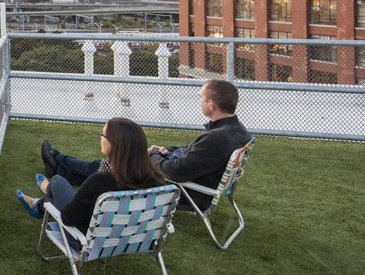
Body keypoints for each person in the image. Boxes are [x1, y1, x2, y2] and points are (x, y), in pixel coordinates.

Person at [40, 79, 250, 211]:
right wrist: (168, 150)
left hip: (185, 193)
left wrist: (152, 157)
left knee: (120, 164)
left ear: (211, 104)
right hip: (193, 182)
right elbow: (194, 154)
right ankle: (61, 166)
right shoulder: (236, 130)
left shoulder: (216, 138)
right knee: (116, 165)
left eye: (201, 98)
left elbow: (177, 172)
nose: (200, 101)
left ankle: (59, 163)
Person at [17, 118, 166, 236]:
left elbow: (68, 218)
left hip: (84, 238)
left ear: (114, 144)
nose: (100, 137)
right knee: (71, 183)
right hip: (133, 238)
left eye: (102, 134)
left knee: (58, 181)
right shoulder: (157, 180)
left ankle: (45, 196)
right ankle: (39, 202)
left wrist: (59, 196)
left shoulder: (100, 182)